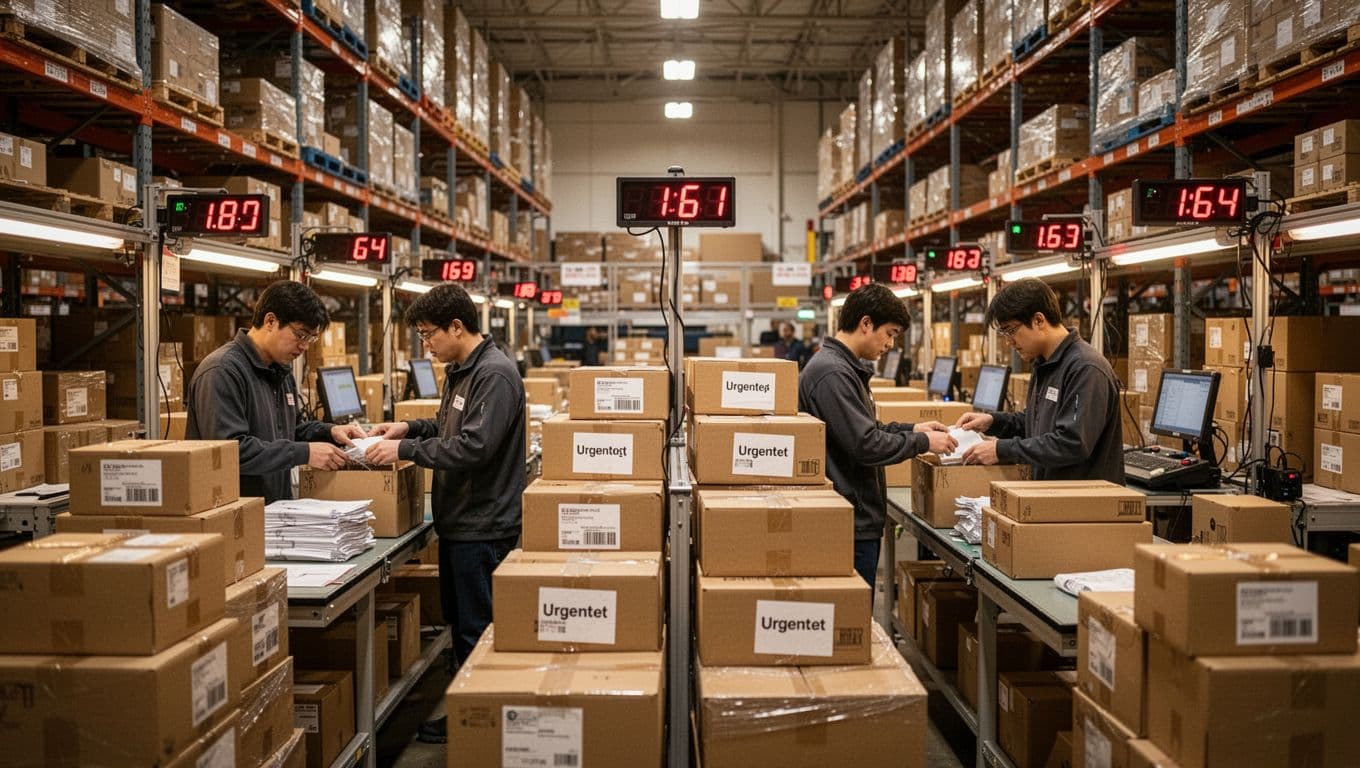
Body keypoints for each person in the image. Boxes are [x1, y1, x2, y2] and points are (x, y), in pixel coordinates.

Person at [363, 283, 526, 743]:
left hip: (482, 523)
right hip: (462, 521)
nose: (425, 343)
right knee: (463, 626)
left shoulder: (493, 374)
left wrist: (405, 448)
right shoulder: (462, 370)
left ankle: (480, 728)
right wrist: (409, 426)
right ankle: (468, 712)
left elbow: (475, 445)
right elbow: (451, 423)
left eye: (428, 333)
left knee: (476, 630)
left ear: (457, 327)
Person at [799, 283, 956, 587]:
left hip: (854, 517)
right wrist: (923, 443)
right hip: (849, 523)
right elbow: (865, 445)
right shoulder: (833, 374)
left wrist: (913, 429)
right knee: (852, 619)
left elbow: (865, 430)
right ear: (866, 323)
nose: (890, 344)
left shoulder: (842, 368)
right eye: (890, 333)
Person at [186, 280, 365, 504]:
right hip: (235, 514)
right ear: (270, 321)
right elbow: (230, 451)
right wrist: (305, 453)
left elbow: (291, 429)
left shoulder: (280, 371)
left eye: (311, 339)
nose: (304, 346)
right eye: (300, 335)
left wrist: (330, 432)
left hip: (276, 513)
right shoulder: (222, 371)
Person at [953, 278, 1124, 482]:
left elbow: (1072, 443)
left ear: (1039, 320)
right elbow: (1037, 424)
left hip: (1084, 506)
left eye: (1010, 330)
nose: (1008, 342)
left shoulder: (1086, 369)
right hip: (1052, 500)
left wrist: (1002, 450)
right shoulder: (1044, 363)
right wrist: (993, 422)